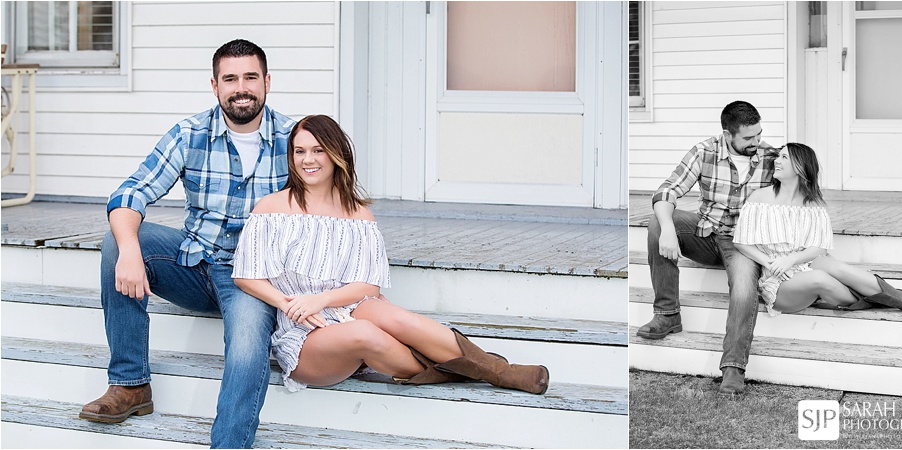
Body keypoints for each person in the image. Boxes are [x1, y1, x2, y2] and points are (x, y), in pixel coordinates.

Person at [231, 114, 550, 395]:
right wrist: (294, 303)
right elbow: (246, 276)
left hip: (343, 308)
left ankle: (499, 371)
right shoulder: (272, 208)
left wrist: (324, 299)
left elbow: (368, 287)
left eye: (318, 150)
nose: (307, 160)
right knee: (364, 331)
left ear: (336, 154)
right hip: (304, 333)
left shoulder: (358, 216)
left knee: (391, 315)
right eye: (299, 151)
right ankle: (455, 371)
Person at [79, 39, 296, 448]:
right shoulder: (189, 133)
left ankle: (229, 443)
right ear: (214, 86)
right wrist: (129, 250)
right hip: (193, 265)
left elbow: (332, 204)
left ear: (267, 82)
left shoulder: (294, 139)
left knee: (248, 347)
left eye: (250, 77)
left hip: (254, 277)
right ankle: (130, 385)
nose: (241, 87)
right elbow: (131, 193)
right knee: (119, 238)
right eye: (230, 79)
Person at [635, 100, 775, 395]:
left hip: (744, 244)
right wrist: (669, 231)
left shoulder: (769, 157)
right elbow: (666, 191)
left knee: (743, 288)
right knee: (658, 222)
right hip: (706, 235)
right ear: (727, 134)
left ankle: (734, 367)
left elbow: (801, 186)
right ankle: (668, 315)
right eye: (749, 138)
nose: (756, 143)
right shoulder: (704, 151)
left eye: (758, 135)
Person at [733, 143, 902, 316]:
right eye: (778, 156)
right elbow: (741, 242)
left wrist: (792, 259)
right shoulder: (760, 198)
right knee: (820, 278)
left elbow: (819, 248)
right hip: (779, 280)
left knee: (838, 268)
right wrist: (772, 262)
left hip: (801, 264)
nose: (776, 160)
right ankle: (883, 300)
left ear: (800, 167)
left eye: (784, 157)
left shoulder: (812, 205)